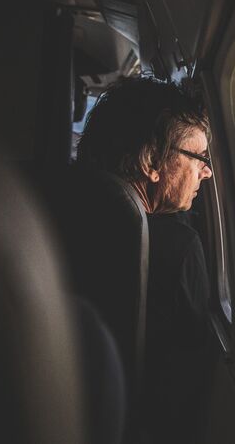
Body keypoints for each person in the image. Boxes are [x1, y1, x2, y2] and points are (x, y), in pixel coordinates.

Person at [77, 77, 214, 443]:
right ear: (153, 160)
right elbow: (190, 383)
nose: (207, 171)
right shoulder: (179, 249)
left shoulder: (67, 212)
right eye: (199, 157)